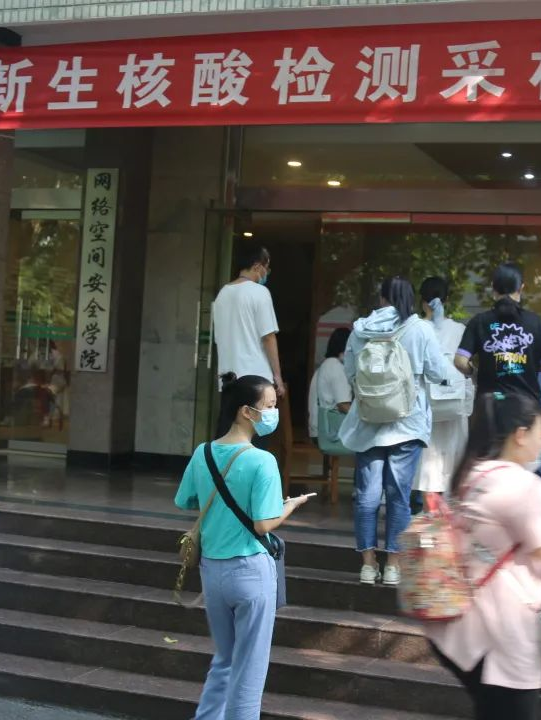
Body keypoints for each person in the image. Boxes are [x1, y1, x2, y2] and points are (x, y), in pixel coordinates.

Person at [425, 391, 541, 720]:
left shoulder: (472, 476)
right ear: (520, 434)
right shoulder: (525, 487)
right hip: (503, 632)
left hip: (461, 628)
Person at [174, 373, 309, 720]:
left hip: (212, 571)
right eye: (269, 406)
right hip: (250, 570)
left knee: (225, 660)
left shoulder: (203, 452)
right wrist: (290, 506)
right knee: (250, 669)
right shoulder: (262, 460)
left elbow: (185, 500)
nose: (273, 413)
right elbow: (264, 523)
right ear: (246, 412)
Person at [339, 277, 447, 586]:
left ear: (381, 297)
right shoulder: (421, 329)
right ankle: (393, 566)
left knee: (367, 496)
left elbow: (350, 372)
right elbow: (437, 372)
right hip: (407, 423)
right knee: (399, 496)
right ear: (410, 299)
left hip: (368, 423)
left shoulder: (360, 330)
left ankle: (368, 565)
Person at [456, 263, 541, 405]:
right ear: (521, 288)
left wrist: (475, 373)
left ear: (493, 288)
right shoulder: (535, 322)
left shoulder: (479, 322)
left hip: (490, 403)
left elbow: (460, 361)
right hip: (526, 404)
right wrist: (527, 366)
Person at [212, 246, 284, 440]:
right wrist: (277, 376)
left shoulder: (222, 294)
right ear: (257, 266)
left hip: (229, 378)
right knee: (255, 437)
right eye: (267, 268)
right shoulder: (259, 292)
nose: (266, 273)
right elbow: (268, 337)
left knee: (228, 435)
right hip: (256, 379)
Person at [415, 276, 473, 495]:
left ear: (422, 301)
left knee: (425, 458)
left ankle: (427, 507)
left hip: (423, 405)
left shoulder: (415, 329)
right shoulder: (460, 330)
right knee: (452, 457)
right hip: (452, 402)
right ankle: (449, 507)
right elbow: (466, 366)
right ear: (446, 300)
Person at [307, 328, 352, 440]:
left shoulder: (324, 365)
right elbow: (343, 405)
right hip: (330, 432)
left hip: (318, 429)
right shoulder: (337, 367)